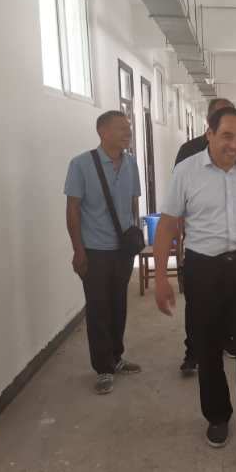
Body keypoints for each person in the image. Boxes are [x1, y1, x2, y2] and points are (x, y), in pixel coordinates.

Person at [153, 106, 236, 472]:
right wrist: (160, 278)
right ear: (208, 134)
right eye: (227, 136)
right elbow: (168, 226)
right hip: (203, 269)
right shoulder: (186, 171)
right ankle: (218, 415)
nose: (235, 145)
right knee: (207, 347)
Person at [64, 111, 143, 395]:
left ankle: (116, 357)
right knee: (98, 309)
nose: (128, 133)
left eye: (129, 128)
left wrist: (133, 234)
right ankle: (103, 368)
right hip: (95, 250)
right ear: (102, 132)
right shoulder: (81, 165)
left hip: (123, 251)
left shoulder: (131, 164)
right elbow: (73, 210)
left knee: (119, 304)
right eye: (122, 128)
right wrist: (78, 250)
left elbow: (133, 202)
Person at [175, 97, 236, 375]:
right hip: (199, 240)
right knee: (197, 301)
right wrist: (180, 237)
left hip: (232, 239)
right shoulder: (188, 151)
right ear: (209, 121)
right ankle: (194, 352)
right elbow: (177, 197)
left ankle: (225, 339)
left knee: (228, 295)